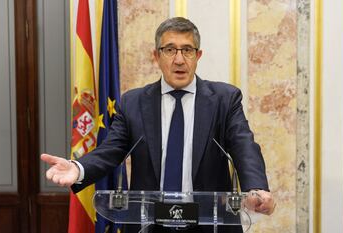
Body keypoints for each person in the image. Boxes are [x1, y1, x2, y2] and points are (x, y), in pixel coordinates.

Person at [41, 17, 275, 233]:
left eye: (187, 50)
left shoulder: (225, 99)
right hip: (149, 225)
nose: (179, 59)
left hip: (209, 224)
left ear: (198, 55)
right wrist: (79, 168)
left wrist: (257, 188)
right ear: (156, 56)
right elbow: (111, 150)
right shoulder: (133, 102)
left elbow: (244, 145)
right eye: (170, 50)